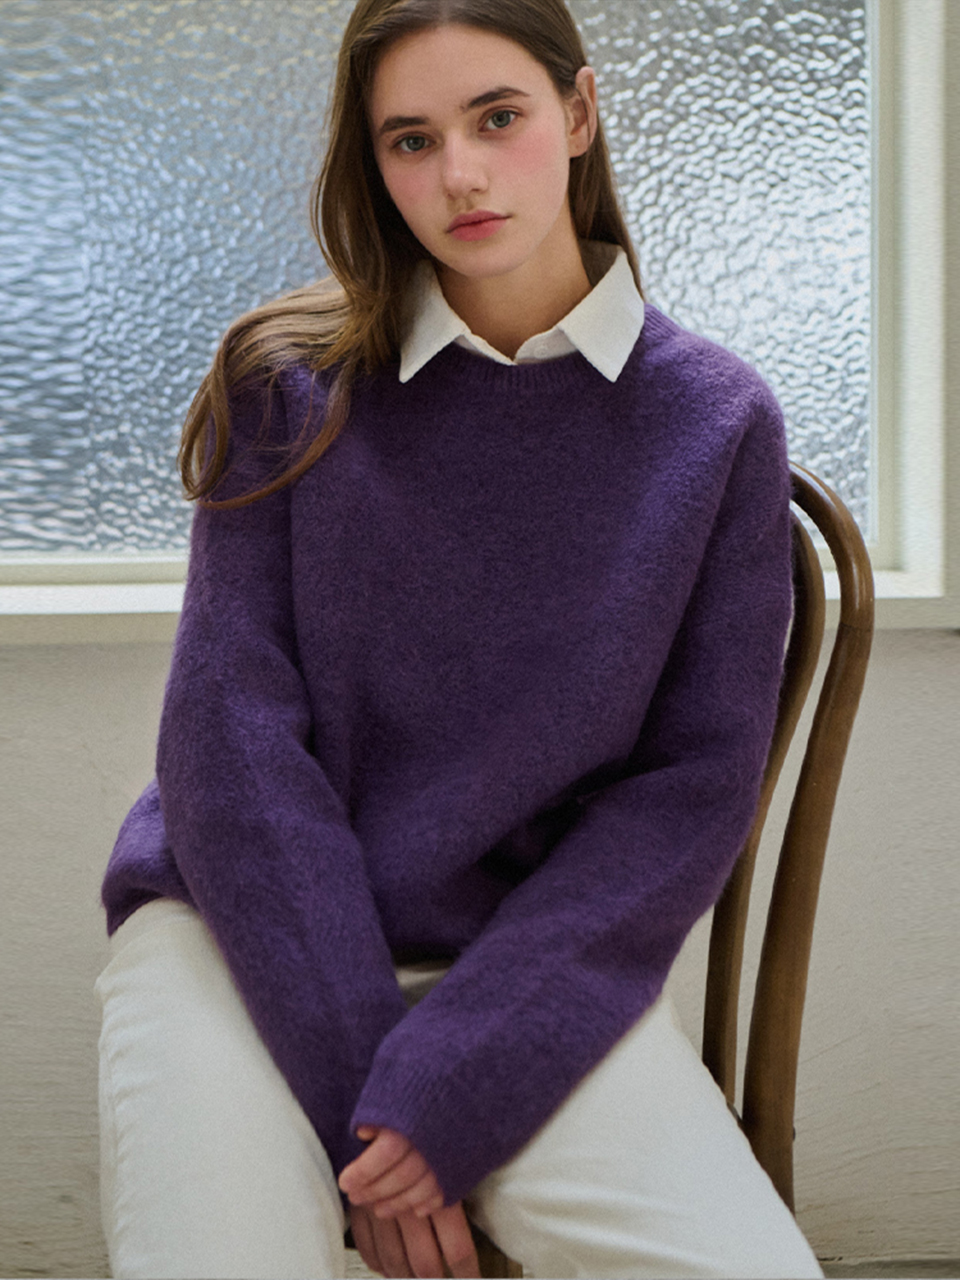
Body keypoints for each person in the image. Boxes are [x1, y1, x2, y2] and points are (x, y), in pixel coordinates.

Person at [96, 1, 825, 1277]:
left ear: (579, 114)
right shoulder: (287, 386)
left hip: (529, 962)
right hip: (239, 933)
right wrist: (371, 1103)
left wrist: (458, 1079)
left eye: (498, 118)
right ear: (373, 164)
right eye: (412, 140)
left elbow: (689, 791)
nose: (462, 175)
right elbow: (229, 749)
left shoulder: (714, 422)